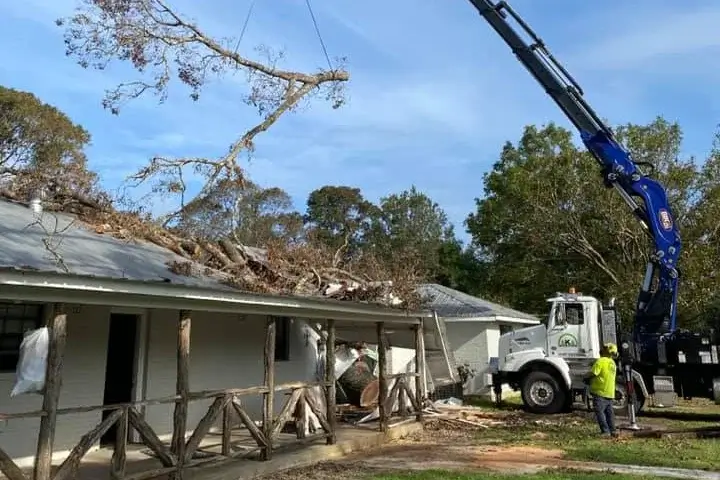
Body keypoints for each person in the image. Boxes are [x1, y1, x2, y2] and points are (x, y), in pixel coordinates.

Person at [584, 343, 619, 437]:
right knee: (609, 413)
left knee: (600, 412)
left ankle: (605, 431)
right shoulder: (612, 363)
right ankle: (613, 430)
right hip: (610, 392)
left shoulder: (600, 361)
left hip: (600, 392)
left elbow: (594, 373)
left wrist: (585, 377)